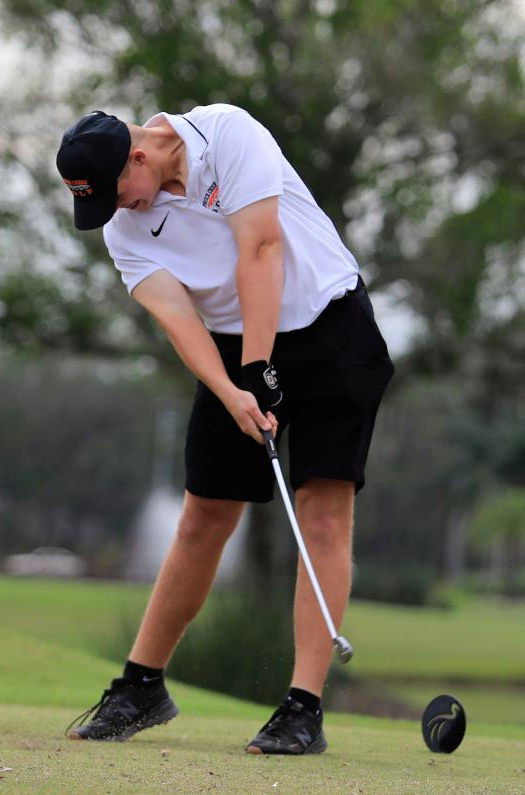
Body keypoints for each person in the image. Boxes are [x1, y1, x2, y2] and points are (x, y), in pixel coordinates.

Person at [55, 103, 394, 755]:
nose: (114, 210)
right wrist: (232, 389)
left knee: (323, 513)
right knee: (202, 514)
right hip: (234, 343)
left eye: (115, 193)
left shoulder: (228, 133)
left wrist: (261, 365)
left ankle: (302, 707)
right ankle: (141, 685)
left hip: (331, 328)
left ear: (141, 157)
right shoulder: (124, 226)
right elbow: (180, 318)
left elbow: (260, 248)